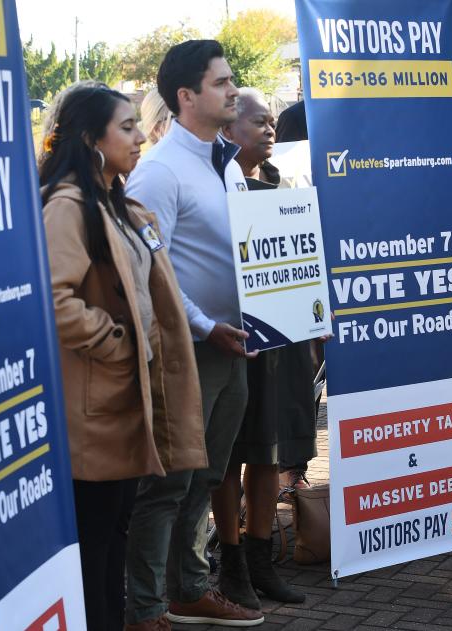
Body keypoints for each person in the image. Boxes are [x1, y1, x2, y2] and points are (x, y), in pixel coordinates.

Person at [40, 84, 206, 630]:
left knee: (112, 536)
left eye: (138, 125)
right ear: (91, 139)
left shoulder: (117, 204)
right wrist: (119, 343)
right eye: (127, 127)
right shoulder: (68, 207)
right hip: (93, 412)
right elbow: (54, 301)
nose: (139, 137)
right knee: (94, 548)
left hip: (123, 404)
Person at [123, 41, 264, 628]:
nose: (233, 90)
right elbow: (147, 271)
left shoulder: (227, 166)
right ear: (186, 97)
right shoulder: (158, 172)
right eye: (221, 82)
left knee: (205, 478)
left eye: (232, 80)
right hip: (186, 351)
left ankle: (187, 589)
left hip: (234, 346)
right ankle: (146, 607)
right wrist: (206, 328)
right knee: (167, 484)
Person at [218, 87, 308, 604]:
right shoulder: (216, 187)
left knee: (271, 452)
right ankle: (231, 567)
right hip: (236, 339)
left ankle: (260, 561)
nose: (270, 129)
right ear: (228, 129)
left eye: (273, 122)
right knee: (230, 457)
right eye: (257, 121)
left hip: (284, 340)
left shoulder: (284, 185)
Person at [273, 100, 318, 489]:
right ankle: (291, 469)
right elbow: (287, 191)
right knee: (304, 377)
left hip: (361, 258)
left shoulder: (364, 113)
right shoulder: (296, 118)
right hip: (308, 262)